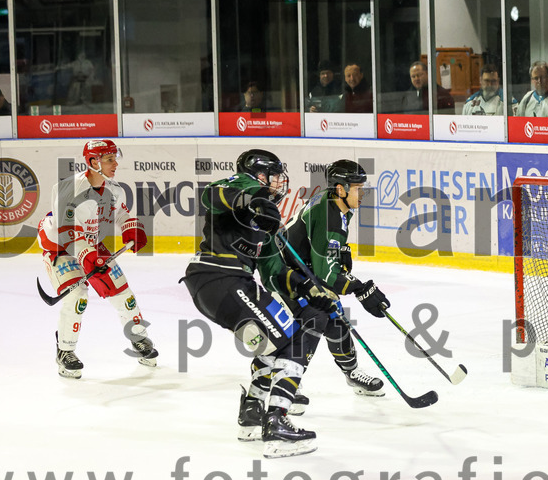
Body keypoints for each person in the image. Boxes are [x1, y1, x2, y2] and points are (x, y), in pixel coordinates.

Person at [181, 149, 335, 458]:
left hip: (233, 286)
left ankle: (252, 411)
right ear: (260, 174)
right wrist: (254, 200)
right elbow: (212, 195)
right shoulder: (241, 187)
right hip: (219, 279)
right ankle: (276, 421)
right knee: (293, 341)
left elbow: (275, 274)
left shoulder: (267, 224)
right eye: (274, 175)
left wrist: (308, 286)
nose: (280, 181)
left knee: (301, 325)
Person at [267, 159, 390, 396]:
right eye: (357, 188)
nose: (362, 193)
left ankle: (352, 373)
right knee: (304, 325)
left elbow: (323, 253)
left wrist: (339, 254)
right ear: (340, 189)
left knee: (337, 321)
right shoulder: (329, 216)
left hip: (304, 269)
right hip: (283, 274)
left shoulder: (337, 204)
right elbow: (326, 273)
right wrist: (358, 287)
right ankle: (284, 380)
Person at [36, 139, 156, 379]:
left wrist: (131, 227)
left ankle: (137, 336)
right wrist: (87, 255)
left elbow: (120, 212)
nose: (115, 164)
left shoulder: (114, 188)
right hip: (61, 247)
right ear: (93, 162)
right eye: (109, 159)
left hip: (90, 245)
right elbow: (66, 230)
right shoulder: (68, 188)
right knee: (77, 295)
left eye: (115, 158)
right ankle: (65, 351)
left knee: (121, 290)